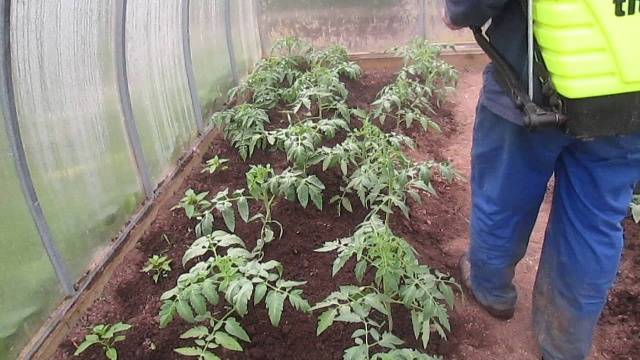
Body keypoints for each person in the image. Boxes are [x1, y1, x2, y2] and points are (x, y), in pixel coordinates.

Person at [441, 2, 640, 359]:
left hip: (529, 83)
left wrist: (457, 11)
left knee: (504, 194)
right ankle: (565, 344)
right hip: (629, 98)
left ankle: (491, 288)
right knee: (595, 220)